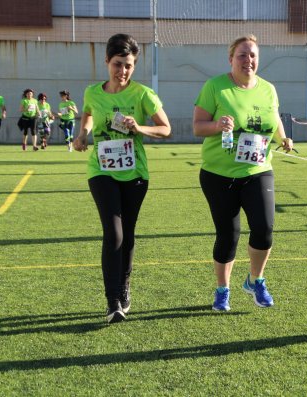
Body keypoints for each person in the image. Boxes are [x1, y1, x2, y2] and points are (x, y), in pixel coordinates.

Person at [72, 33, 172, 323]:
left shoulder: (142, 94)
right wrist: (82, 134)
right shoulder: (93, 92)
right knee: (113, 232)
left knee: (127, 234)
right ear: (106, 61)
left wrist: (140, 128)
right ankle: (113, 300)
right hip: (101, 170)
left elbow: (165, 129)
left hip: (135, 173)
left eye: (129, 65)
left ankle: (125, 285)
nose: (123, 71)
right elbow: (88, 115)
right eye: (118, 64)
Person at [193, 34, 293, 312]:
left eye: (252, 56)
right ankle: (222, 290)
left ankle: (255, 280)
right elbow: (198, 126)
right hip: (218, 174)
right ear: (230, 58)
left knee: (264, 228)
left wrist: (284, 137)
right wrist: (217, 125)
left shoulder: (268, 89)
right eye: (242, 55)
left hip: (258, 169)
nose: (248, 60)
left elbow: (274, 120)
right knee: (228, 234)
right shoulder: (216, 87)